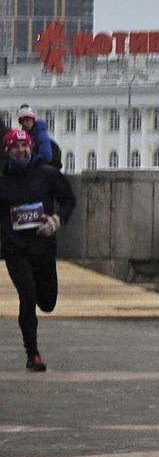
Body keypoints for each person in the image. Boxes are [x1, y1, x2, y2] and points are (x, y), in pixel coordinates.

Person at [1, 127, 75, 371]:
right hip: (16, 250)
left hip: (43, 247)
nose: (21, 151)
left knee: (47, 302)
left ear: (31, 147)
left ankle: (33, 349)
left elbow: (68, 200)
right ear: (7, 151)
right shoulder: (4, 182)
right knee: (28, 296)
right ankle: (32, 354)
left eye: (25, 146)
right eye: (15, 147)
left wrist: (56, 220)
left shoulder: (47, 175)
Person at [16, 105, 60, 170]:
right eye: (22, 121)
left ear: (32, 120)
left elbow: (46, 157)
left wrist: (29, 160)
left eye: (27, 120)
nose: (25, 123)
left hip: (38, 169)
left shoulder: (41, 135)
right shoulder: (25, 134)